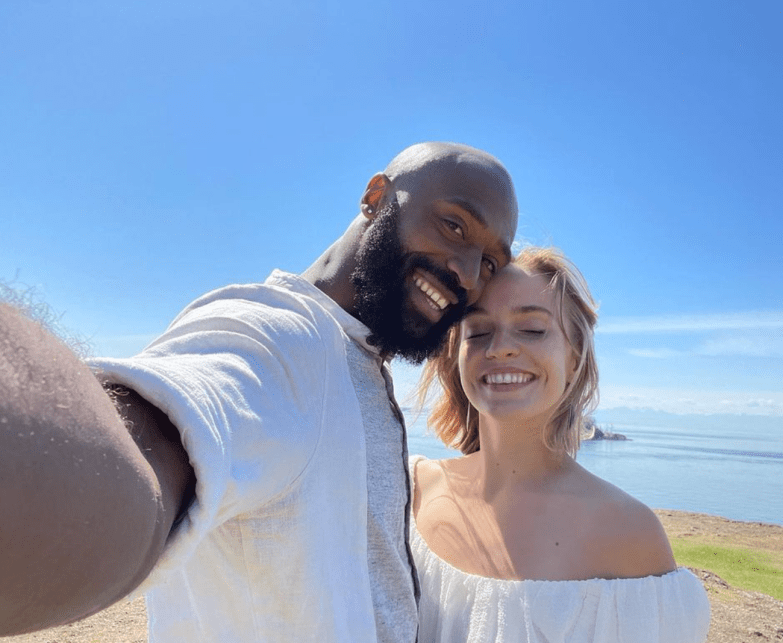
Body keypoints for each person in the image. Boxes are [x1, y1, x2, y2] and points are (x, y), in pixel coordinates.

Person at [0, 142, 518, 642]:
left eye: (491, 264)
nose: (468, 275)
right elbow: (133, 458)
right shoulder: (281, 339)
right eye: (453, 226)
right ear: (377, 198)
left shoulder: (355, 361)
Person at [411, 247, 711, 642]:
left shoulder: (630, 537)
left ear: (574, 359)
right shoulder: (413, 488)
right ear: (457, 356)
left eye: (533, 329)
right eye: (478, 331)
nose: (500, 347)